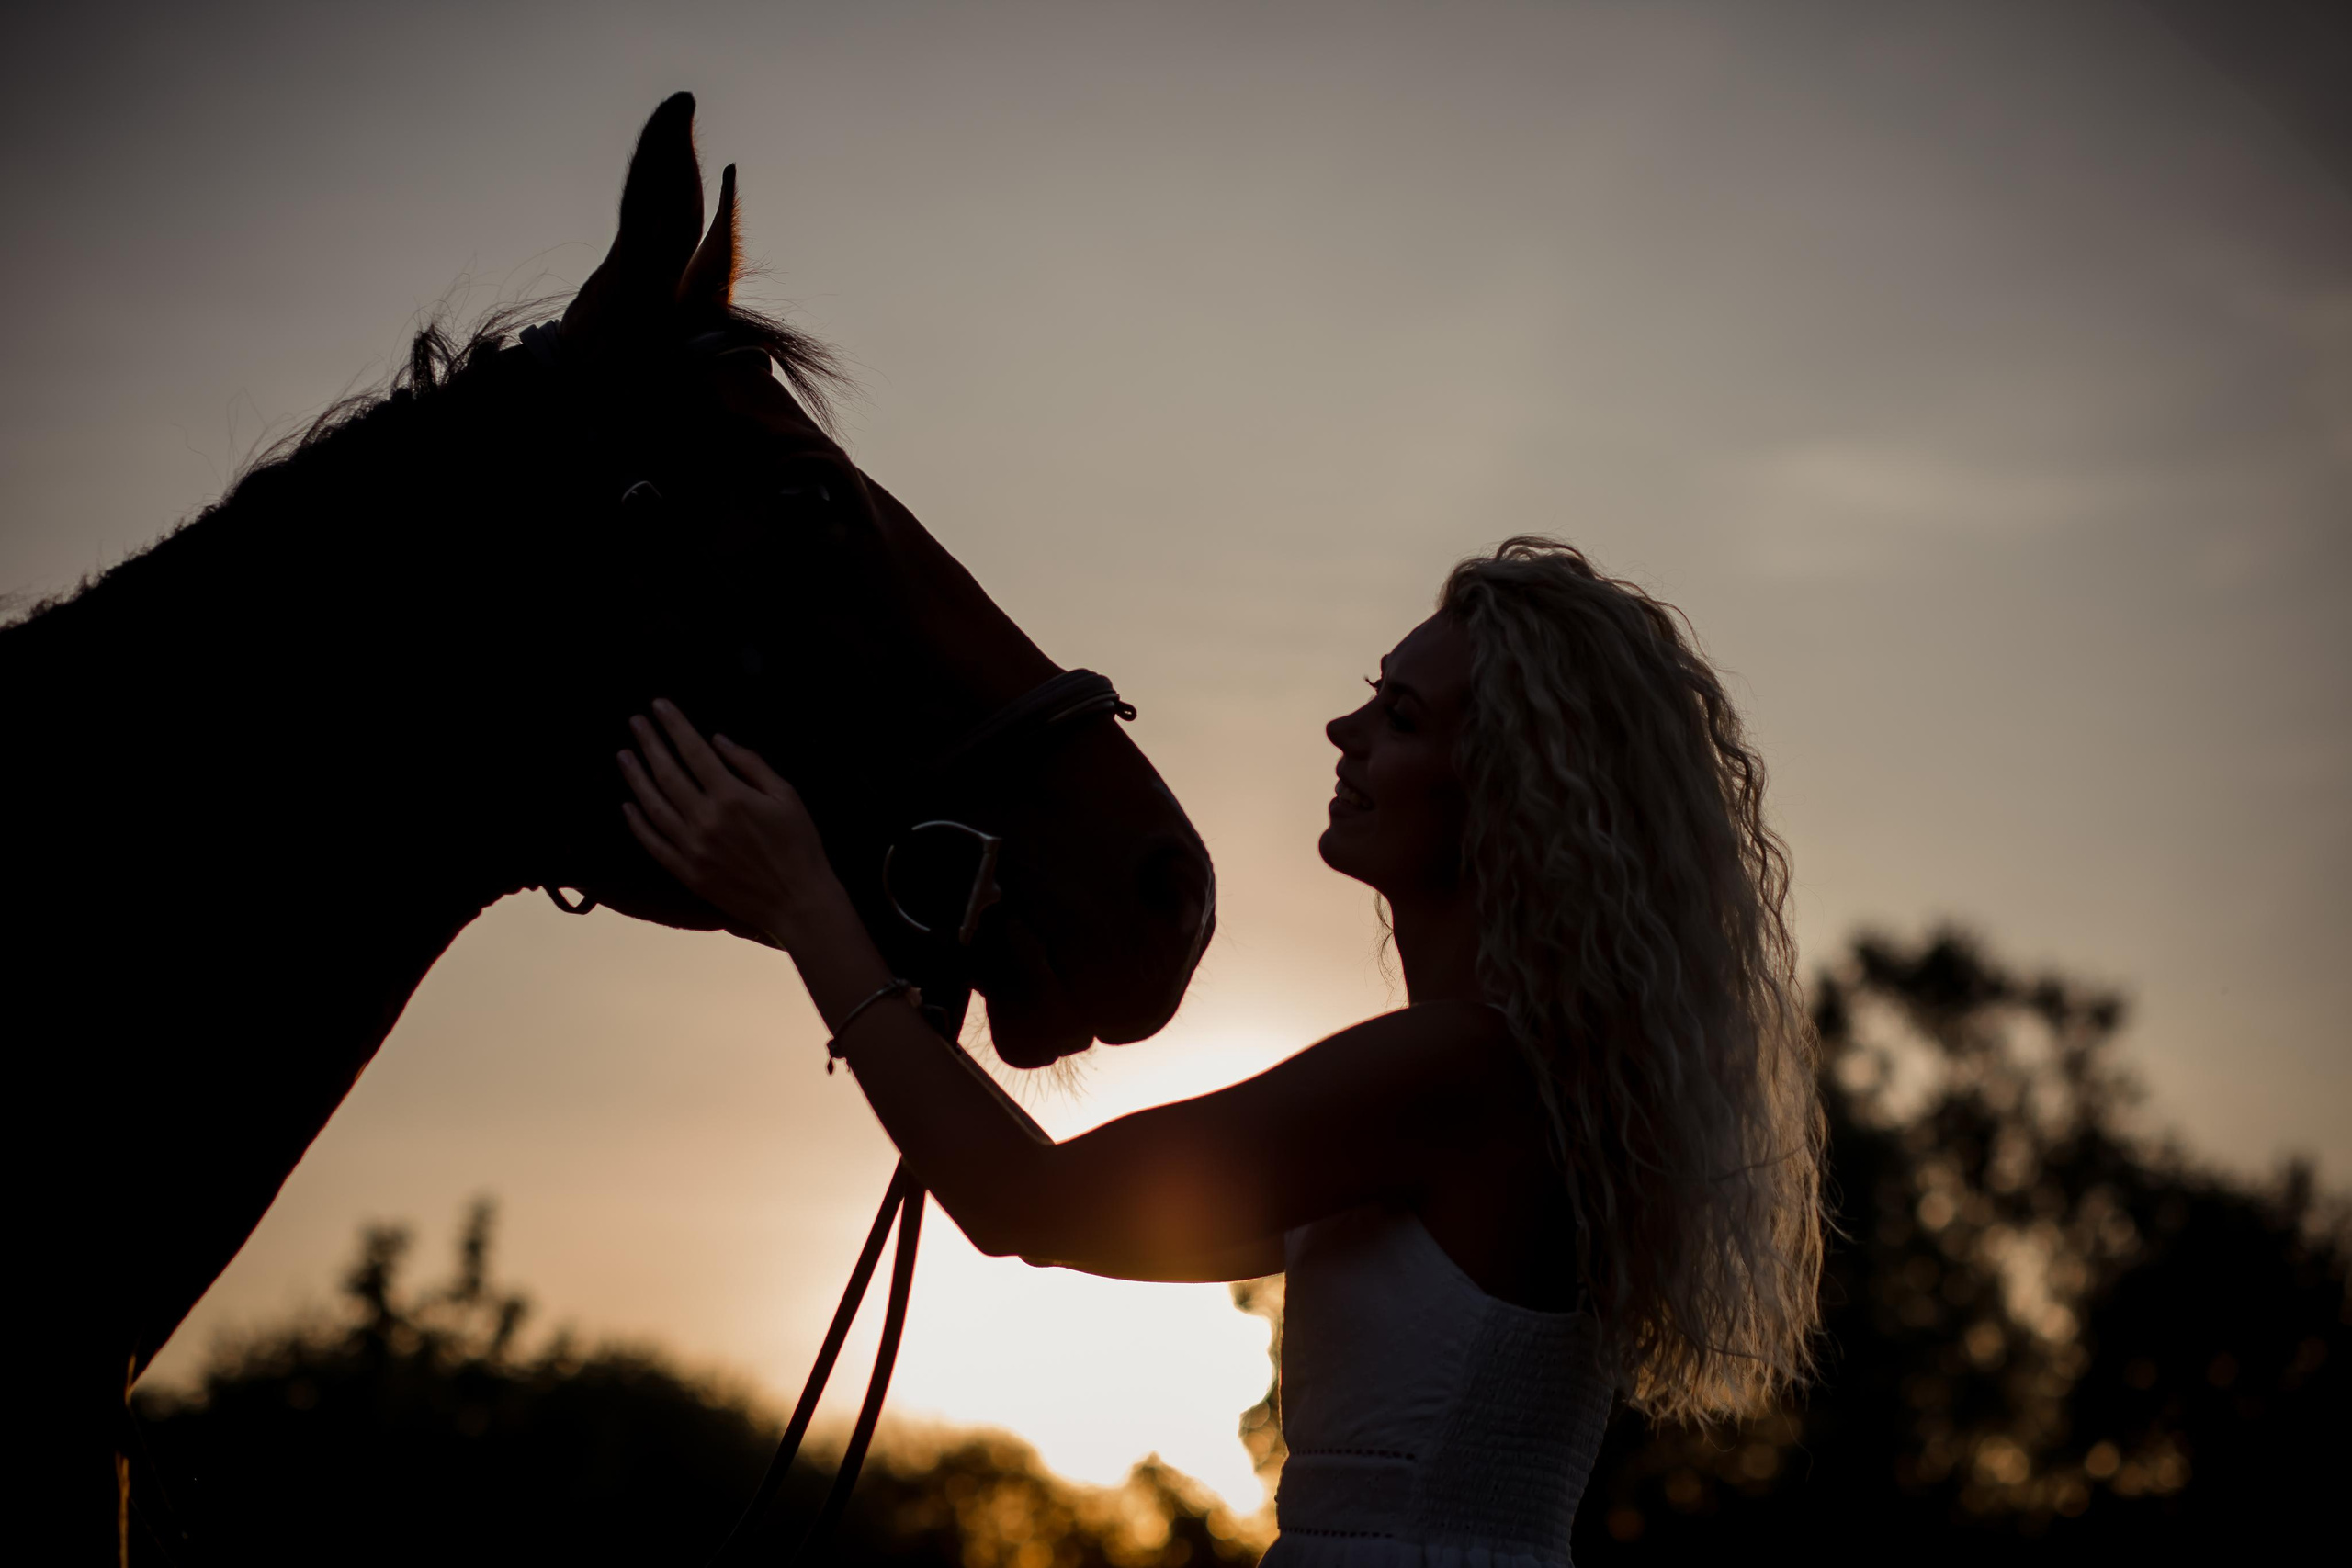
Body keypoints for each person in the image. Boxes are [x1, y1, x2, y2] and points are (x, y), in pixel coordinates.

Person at [616, 536, 1826, 1566]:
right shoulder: (1505, 1082)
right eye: (1373, 695)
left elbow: (1026, 1204)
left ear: (1509, 793)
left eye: (1402, 717)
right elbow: (1067, 1212)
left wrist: (805, 906)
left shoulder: (1457, 1071)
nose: (1344, 728)